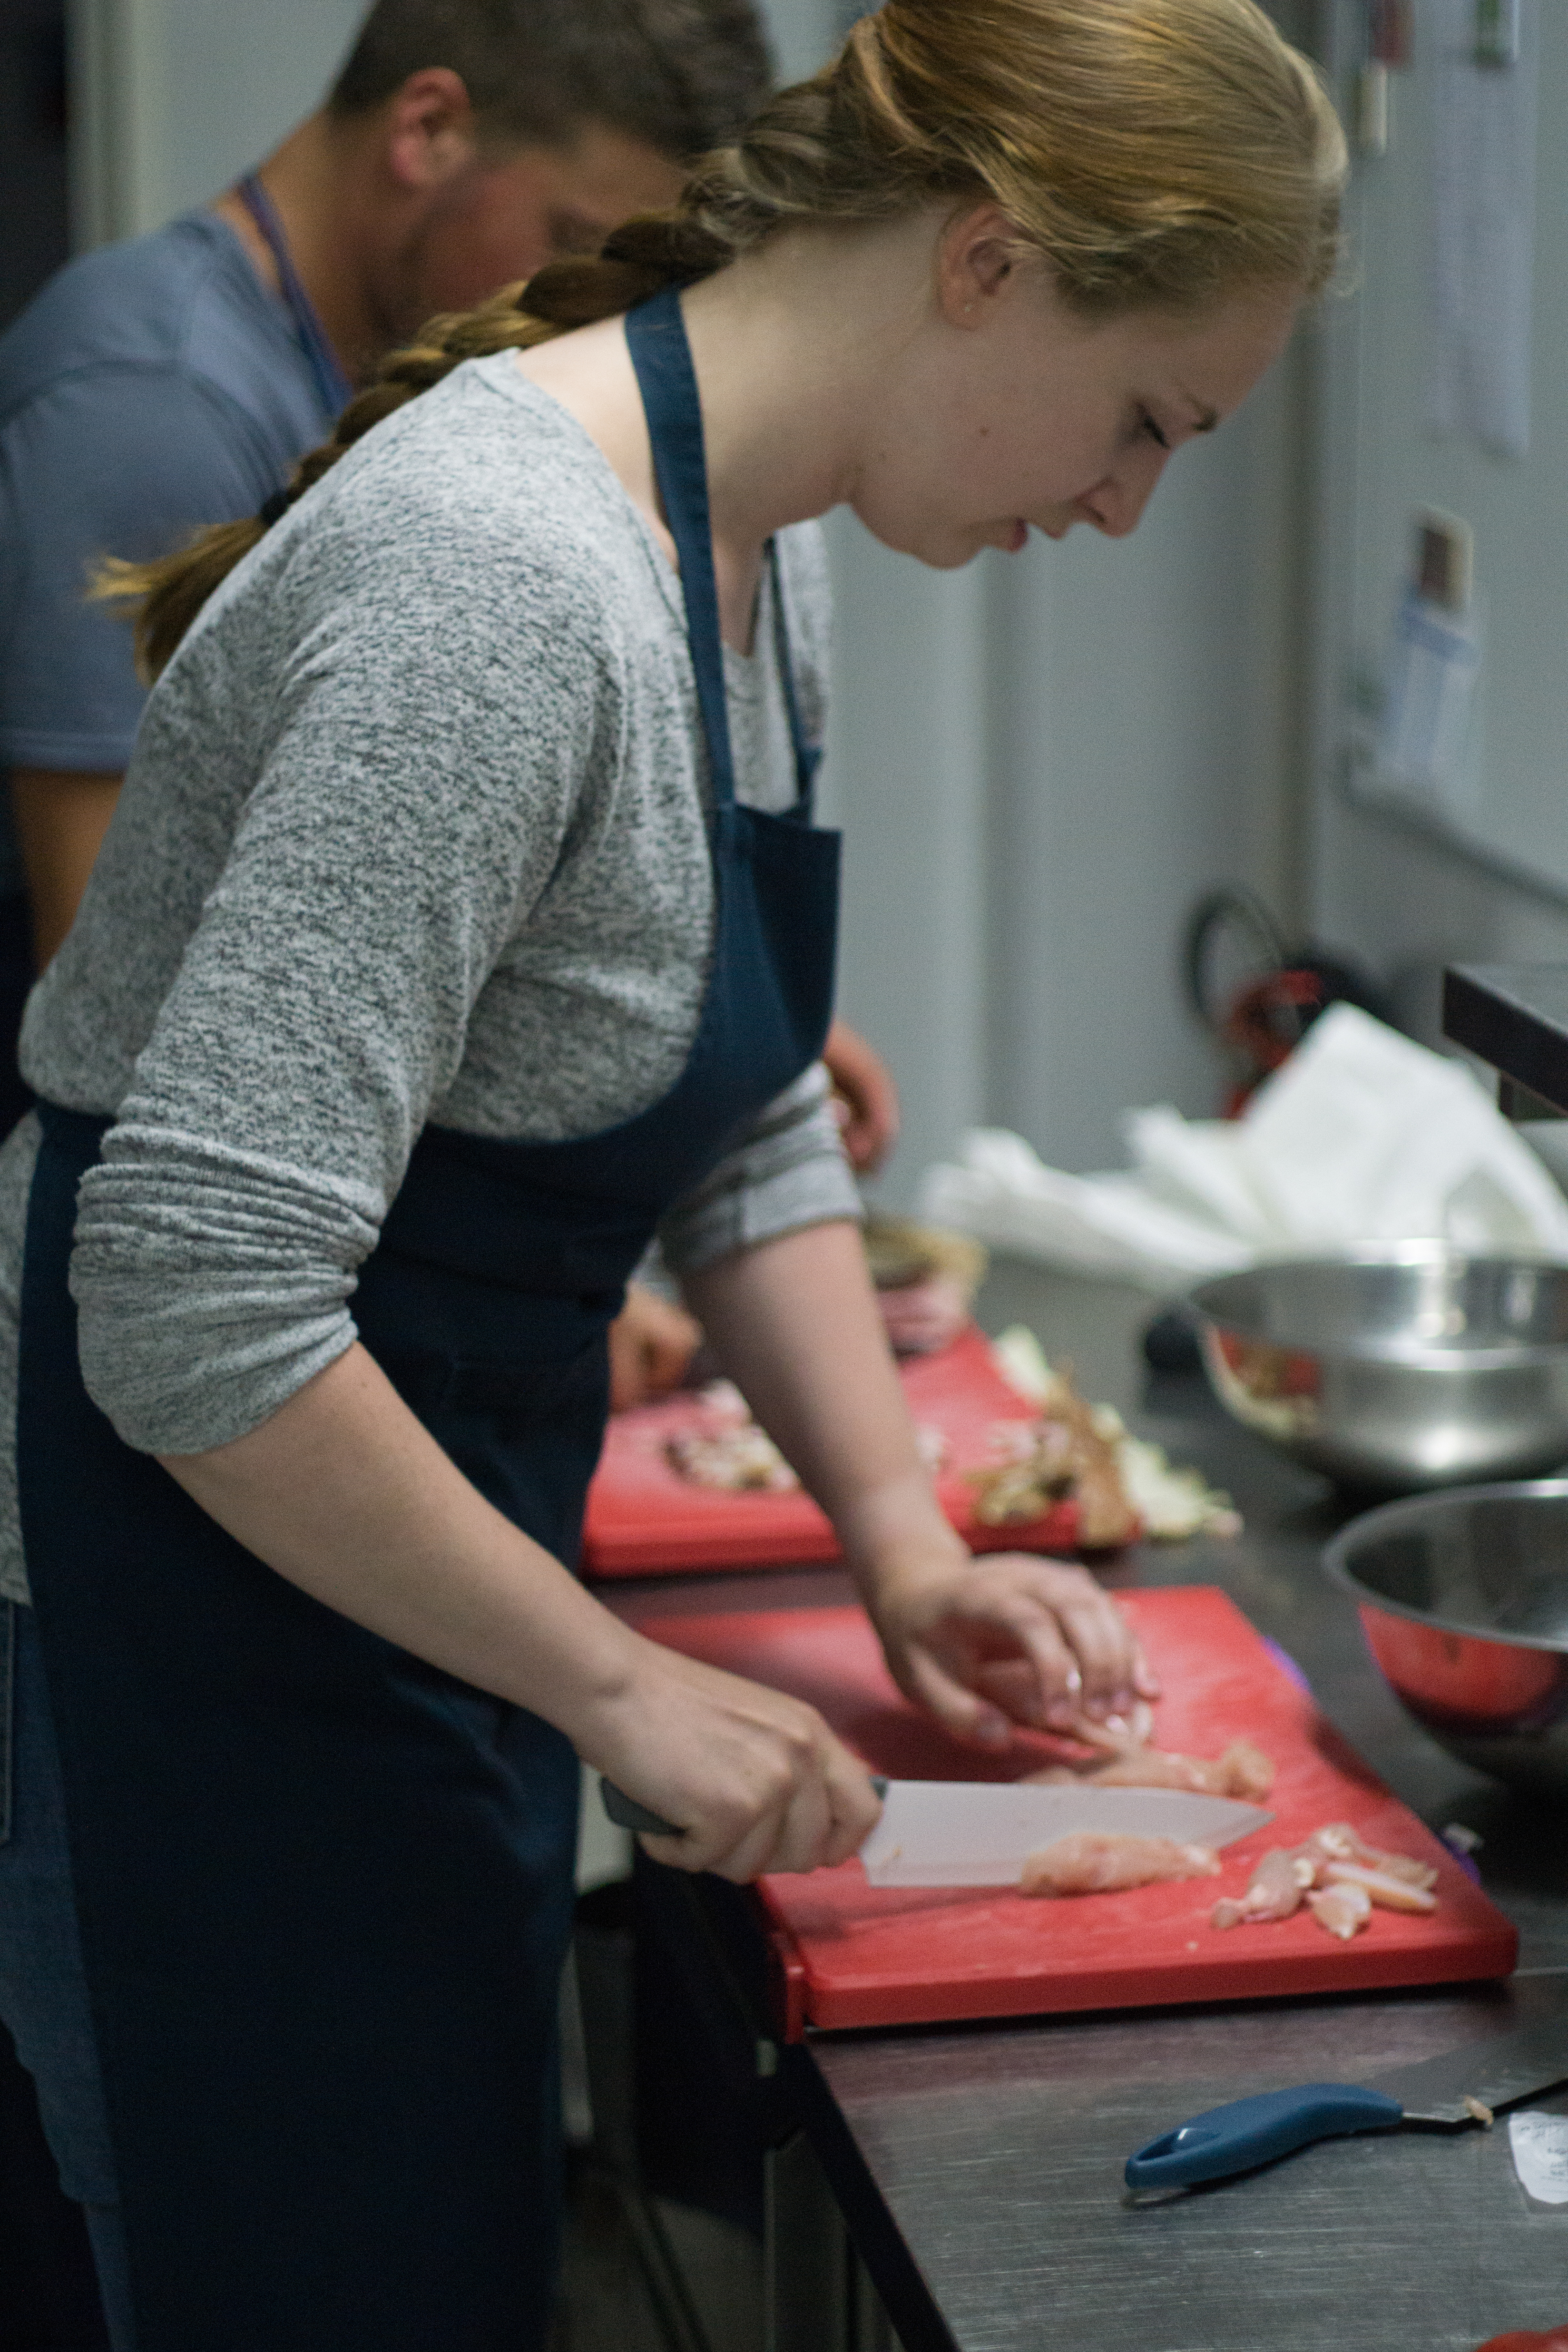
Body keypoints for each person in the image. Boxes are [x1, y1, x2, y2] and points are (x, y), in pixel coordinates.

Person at [0, 0, 1345, 2343]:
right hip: (185, 1647)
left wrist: (906, 1547)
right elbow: (193, 1292)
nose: (1124, 506)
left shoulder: (756, 541)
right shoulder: (507, 587)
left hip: (419, 1611)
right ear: (986, 261)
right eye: (1148, 423)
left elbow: (721, 1098)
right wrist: (623, 1686)